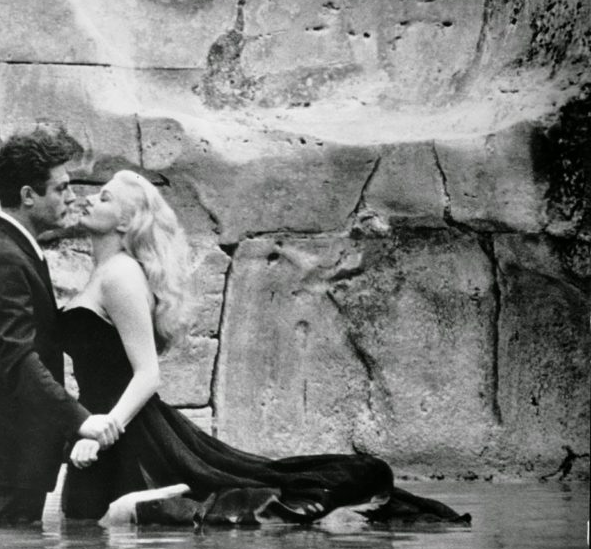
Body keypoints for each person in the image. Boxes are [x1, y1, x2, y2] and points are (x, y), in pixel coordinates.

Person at [59, 169, 470, 526]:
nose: (89, 198)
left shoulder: (119, 275)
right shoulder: (105, 272)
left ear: (126, 220)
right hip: (110, 428)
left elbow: (148, 374)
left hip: (124, 431)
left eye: (104, 196)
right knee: (86, 519)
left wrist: (104, 432)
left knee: (118, 518)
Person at [0, 126, 122, 527]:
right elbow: (17, 360)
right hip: (1, 467)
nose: (71, 197)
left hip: (9, 464)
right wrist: (81, 419)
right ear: (28, 195)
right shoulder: (3, 257)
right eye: (60, 188)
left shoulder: (14, 250)